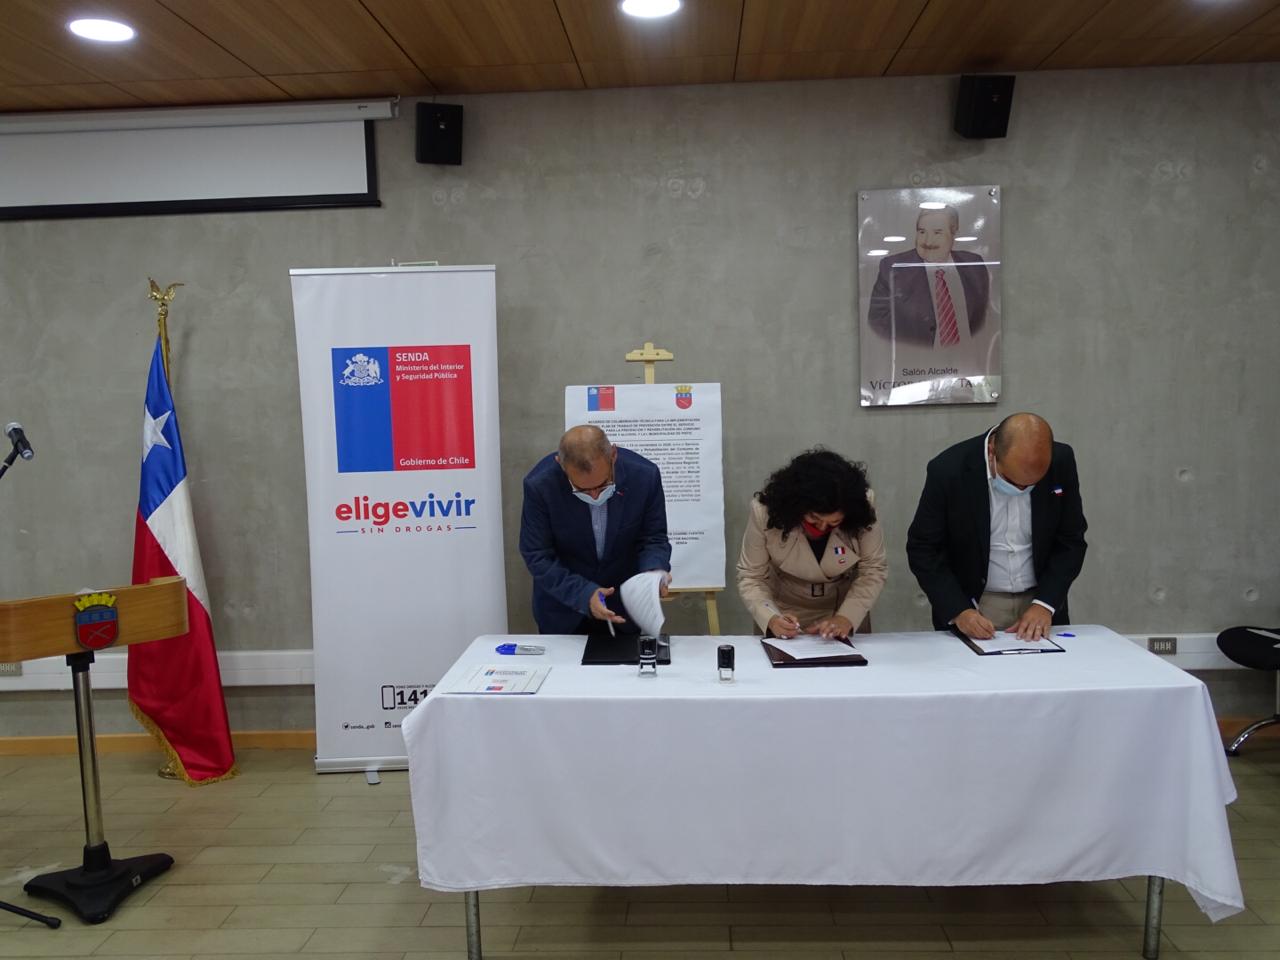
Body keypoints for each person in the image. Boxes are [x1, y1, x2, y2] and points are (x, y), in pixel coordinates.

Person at [905, 413, 1088, 641]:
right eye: (1012, 481)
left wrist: (1045, 603)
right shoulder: (949, 470)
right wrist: (958, 610)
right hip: (977, 605)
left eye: (1032, 484)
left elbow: (1071, 540)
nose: (1022, 490)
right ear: (992, 452)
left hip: (1039, 604)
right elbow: (923, 548)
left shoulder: (1061, 460)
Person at [519, 425, 671, 634]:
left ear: (613, 455)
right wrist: (584, 594)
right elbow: (537, 554)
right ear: (560, 464)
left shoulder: (644, 476)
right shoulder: (540, 485)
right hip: (564, 610)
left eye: (603, 485)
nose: (594, 496)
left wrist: (654, 571)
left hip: (623, 610)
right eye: (581, 489)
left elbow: (653, 537)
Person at [737, 450, 887, 640]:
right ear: (797, 507)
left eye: (834, 522)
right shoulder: (765, 511)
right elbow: (752, 576)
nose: (822, 527)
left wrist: (847, 617)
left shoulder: (863, 506)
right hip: (784, 610)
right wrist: (771, 618)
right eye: (814, 519)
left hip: (846, 608)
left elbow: (873, 569)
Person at [867, 205, 990, 347]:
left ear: (954, 233)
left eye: (937, 233)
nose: (928, 241)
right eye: (922, 232)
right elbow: (877, 323)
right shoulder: (894, 268)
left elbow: (987, 317)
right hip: (915, 358)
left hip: (969, 357)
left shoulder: (974, 264)